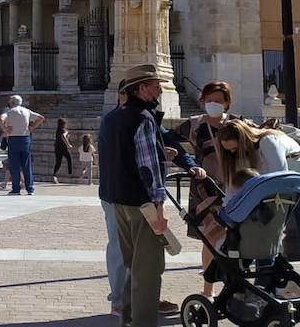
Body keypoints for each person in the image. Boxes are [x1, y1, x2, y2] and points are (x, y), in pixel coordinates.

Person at [216, 119, 300, 296]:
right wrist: (227, 212)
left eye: (234, 149)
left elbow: (281, 176)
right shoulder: (239, 155)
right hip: (276, 191)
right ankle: (265, 294)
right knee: (265, 241)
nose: (232, 154)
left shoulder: (268, 141)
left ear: (245, 140)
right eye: (229, 151)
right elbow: (232, 188)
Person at [99, 65, 174, 327]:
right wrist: (159, 205)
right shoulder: (142, 118)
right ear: (141, 89)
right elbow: (148, 166)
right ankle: (142, 322)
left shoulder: (111, 118)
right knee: (149, 269)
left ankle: (127, 317)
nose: (159, 89)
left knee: (132, 264)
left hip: (115, 199)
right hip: (140, 203)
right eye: (155, 85)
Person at [173, 80, 250, 299]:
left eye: (218, 100)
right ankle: (208, 291)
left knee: (234, 240)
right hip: (205, 191)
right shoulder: (195, 124)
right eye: (209, 100)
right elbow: (168, 138)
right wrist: (188, 163)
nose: (213, 104)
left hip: (235, 189)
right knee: (210, 239)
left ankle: (234, 288)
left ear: (227, 103)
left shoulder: (238, 124)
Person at [0, 95, 43, 195]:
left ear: (11, 102)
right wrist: (32, 127)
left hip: (13, 138)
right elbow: (40, 118)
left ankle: (16, 188)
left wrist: (5, 129)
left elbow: (0, 119)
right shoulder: (26, 111)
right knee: (26, 165)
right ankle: (30, 188)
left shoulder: (9, 112)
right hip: (25, 138)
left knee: (14, 165)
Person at [52, 118, 74, 184]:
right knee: (69, 159)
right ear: (64, 124)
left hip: (57, 147)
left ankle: (54, 175)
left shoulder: (58, 130)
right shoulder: (63, 130)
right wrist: (68, 145)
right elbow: (63, 136)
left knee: (58, 162)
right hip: (63, 148)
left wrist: (67, 137)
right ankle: (70, 174)